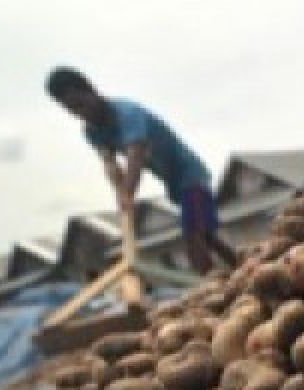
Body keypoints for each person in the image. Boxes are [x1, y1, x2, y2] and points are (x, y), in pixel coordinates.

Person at [45, 67, 236, 273]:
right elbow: (110, 164)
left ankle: (208, 283)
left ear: (91, 91)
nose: (81, 113)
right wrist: (120, 193)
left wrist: (128, 193)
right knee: (206, 234)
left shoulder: (127, 113)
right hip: (172, 182)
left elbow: (137, 155)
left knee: (193, 236)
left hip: (190, 174)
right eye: (72, 110)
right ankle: (240, 265)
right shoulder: (92, 131)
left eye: (81, 104)